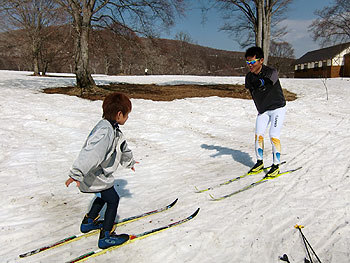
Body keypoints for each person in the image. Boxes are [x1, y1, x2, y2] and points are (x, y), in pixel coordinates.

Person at [65, 92, 136, 249]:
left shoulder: (112, 128)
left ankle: (88, 222)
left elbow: (122, 147)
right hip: (95, 174)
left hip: (98, 174)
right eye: (127, 115)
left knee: (105, 195)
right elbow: (90, 153)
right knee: (113, 199)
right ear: (119, 114)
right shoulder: (105, 131)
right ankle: (106, 236)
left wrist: (129, 161)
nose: (127, 118)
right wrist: (76, 173)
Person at [244, 46, 286, 177]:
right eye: (247, 62)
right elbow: (250, 87)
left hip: (277, 108)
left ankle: (276, 165)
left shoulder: (271, 71)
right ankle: (259, 162)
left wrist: (259, 82)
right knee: (258, 135)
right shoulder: (249, 77)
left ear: (261, 60)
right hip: (263, 110)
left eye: (252, 62)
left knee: (273, 135)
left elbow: (268, 81)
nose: (250, 65)